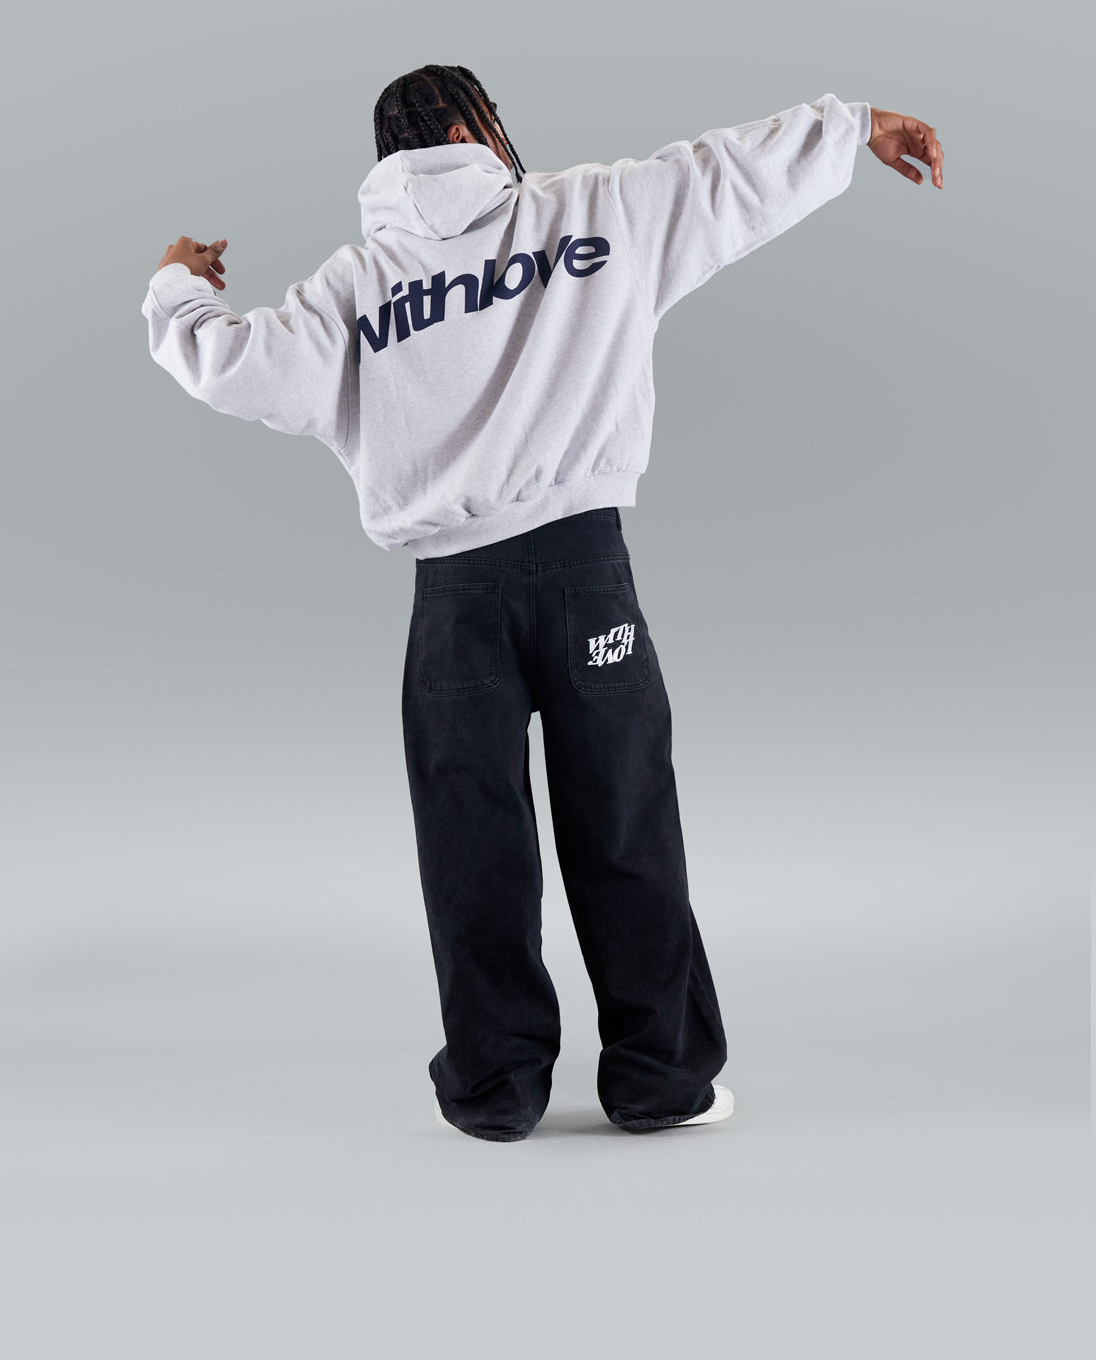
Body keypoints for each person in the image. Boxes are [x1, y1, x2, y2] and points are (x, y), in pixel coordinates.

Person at [141, 64, 944, 1142]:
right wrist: (852, 129)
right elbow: (722, 175)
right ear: (470, 131)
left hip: (452, 604)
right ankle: (659, 1078)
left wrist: (177, 283)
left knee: (471, 847)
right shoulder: (594, 211)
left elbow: (234, 362)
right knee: (624, 820)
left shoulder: (355, 285)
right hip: (583, 578)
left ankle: (495, 1088)